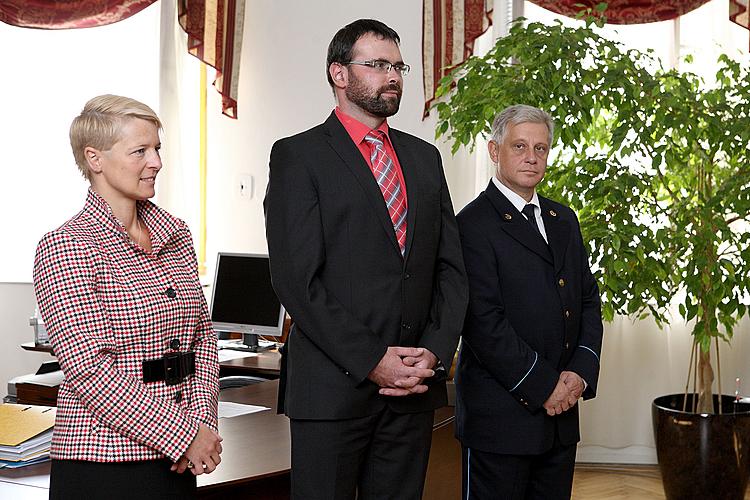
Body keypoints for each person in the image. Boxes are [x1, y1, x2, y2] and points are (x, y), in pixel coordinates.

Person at [264, 18, 468, 500]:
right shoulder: (299, 156)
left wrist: (434, 353)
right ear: (339, 74)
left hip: (413, 391)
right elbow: (296, 280)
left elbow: (452, 270)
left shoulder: (424, 158)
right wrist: (373, 360)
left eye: (398, 66)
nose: (393, 75)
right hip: (332, 391)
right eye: (377, 65)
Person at [33, 95, 222, 500]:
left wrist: (204, 421)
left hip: (176, 460)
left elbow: (202, 340)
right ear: (94, 159)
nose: (155, 161)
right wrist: (186, 434)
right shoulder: (66, 246)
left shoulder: (176, 233)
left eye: (158, 148)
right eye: (140, 151)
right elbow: (90, 372)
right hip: (103, 464)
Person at [454, 104, 603, 500]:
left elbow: (587, 299)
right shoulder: (470, 225)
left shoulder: (563, 219)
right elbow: (483, 322)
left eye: (541, 148)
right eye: (519, 146)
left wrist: (580, 373)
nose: (531, 157)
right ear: (493, 151)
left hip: (561, 416)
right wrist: (544, 387)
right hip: (501, 420)